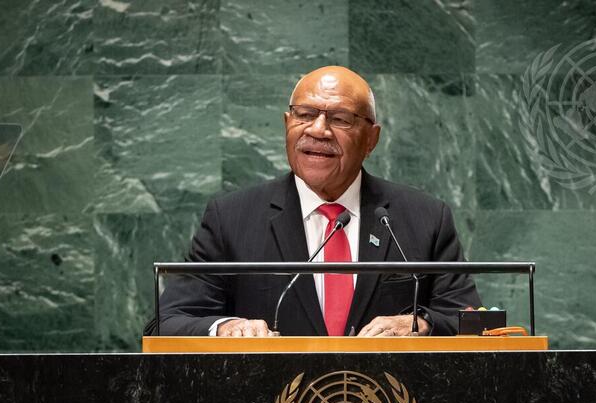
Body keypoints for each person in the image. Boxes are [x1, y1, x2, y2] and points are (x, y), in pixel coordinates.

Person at [146, 66, 481, 337]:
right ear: (286, 124)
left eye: (340, 118)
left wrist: (420, 324)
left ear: (371, 139)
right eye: (305, 114)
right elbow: (167, 323)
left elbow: (470, 320)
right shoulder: (232, 218)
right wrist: (226, 328)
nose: (318, 130)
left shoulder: (424, 218)